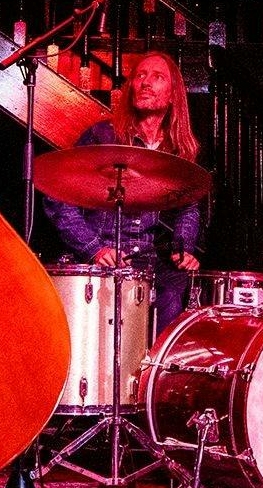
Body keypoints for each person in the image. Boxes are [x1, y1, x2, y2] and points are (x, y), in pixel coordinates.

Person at [43, 50, 205, 323]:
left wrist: (183, 248)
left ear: (173, 93)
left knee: (177, 288)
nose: (144, 82)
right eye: (139, 75)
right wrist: (93, 248)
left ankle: (158, 365)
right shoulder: (103, 136)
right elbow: (57, 195)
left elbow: (189, 208)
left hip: (149, 260)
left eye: (157, 77)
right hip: (103, 255)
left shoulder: (179, 151)